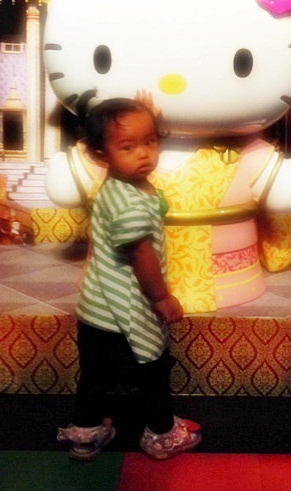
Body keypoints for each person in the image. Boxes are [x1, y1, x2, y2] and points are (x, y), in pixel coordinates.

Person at [57, 96, 201, 461]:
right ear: (101, 155)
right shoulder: (129, 202)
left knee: (94, 377)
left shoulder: (117, 184)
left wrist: (146, 119)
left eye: (150, 141)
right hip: (127, 313)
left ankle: (86, 433)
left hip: (96, 312)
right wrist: (161, 297)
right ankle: (161, 434)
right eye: (128, 147)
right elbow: (141, 255)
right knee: (152, 371)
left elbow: (149, 191)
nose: (143, 154)